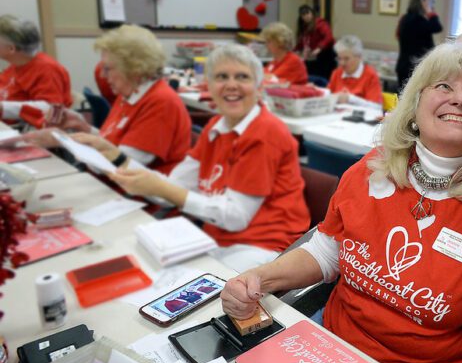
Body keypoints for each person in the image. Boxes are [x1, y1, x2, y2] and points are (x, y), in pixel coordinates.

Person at [221, 42, 462, 363]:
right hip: (331, 345)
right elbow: (325, 252)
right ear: (414, 104)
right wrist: (259, 277)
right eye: (444, 86)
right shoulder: (373, 168)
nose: (459, 98)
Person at [76, 44, 310, 268]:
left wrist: (161, 188)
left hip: (264, 248)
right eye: (221, 77)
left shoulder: (265, 133)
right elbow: (173, 188)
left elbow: (236, 216)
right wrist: (116, 156)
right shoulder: (215, 127)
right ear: (208, 86)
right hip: (222, 239)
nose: (231, 85)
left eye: (242, 77)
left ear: (259, 88)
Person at [25, 25, 190, 173]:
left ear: (134, 69)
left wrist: (64, 141)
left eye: (108, 69)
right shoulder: (129, 93)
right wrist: (82, 126)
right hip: (113, 187)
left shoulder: (160, 102)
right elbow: (112, 143)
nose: (103, 75)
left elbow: (117, 164)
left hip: (139, 199)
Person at [0, 15, 72, 121]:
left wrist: (3, 107)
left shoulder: (48, 69)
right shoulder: (16, 64)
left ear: (11, 49)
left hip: (22, 131)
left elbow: (53, 111)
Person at [395, 0, 442, 89]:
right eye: (430, 3)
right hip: (412, 68)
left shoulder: (406, 18)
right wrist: (429, 11)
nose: (432, 6)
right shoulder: (416, 20)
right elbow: (437, 27)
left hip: (406, 66)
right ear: (422, 3)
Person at [327, 35, 383, 109]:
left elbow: (377, 107)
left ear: (359, 57)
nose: (342, 63)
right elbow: (327, 97)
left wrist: (350, 99)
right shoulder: (337, 72)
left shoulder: (370, 75)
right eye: (339, 58)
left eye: (346, 59)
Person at [296, 4, 336, 80]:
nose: (306, 16)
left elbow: (328, 37)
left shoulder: (320, 23)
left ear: (312, 13)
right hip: (312, 57)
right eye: (303, 15)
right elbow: (301, 42)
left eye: (307, 13)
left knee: (322, 78)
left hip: (325, 56)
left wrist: (319, 48)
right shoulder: (304, 27)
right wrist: (295, 51)